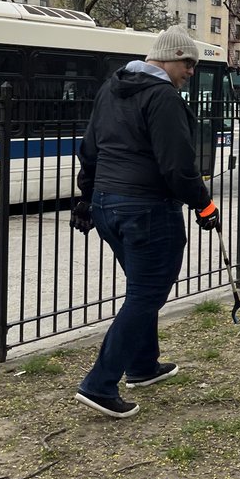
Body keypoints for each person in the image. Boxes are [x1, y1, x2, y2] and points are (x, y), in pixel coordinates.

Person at [70, 26, 219, 418]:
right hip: (148, 209)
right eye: (187, 63)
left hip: (107, 207)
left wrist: (87, 198)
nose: (190, 71)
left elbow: (89, 149)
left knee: (142, 288)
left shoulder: (111, 88)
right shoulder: (162, 97)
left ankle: (143, 365)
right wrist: (204, 205)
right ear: (169, 58)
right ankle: (99, 384)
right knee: (147, 293)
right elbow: (178, 165)